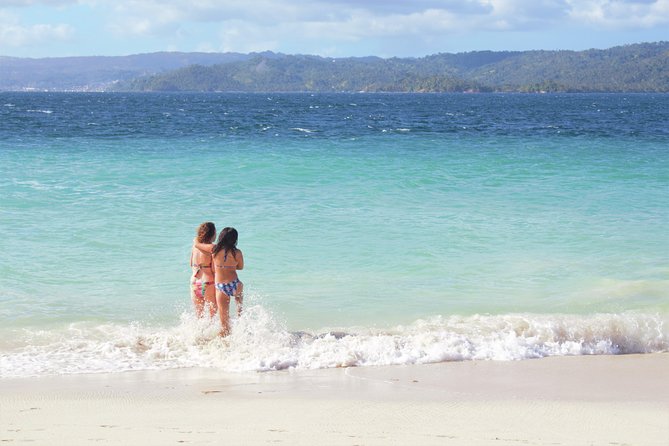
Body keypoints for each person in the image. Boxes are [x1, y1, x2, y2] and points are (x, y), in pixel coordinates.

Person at [194, 227, 244, 336]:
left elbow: (197, 245)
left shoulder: (214, 249)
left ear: (221, 237)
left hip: (217, 286)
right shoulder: (237, 252)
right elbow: (241, 267)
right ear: (235, 239)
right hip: (235, 284)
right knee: (240, 293)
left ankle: (223, 339)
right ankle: (240, 315)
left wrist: (196, 239)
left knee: (224, 323)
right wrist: (229, 266)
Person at [190, 222, 217, 318]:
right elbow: (214, 269)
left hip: (194, 281)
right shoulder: (213, 248)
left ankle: (200, 332)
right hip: (207, 282)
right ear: (211, 233)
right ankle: (211, 333)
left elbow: (191, 264)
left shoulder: (194, 247)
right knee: (212, 314)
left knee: (199, 315)